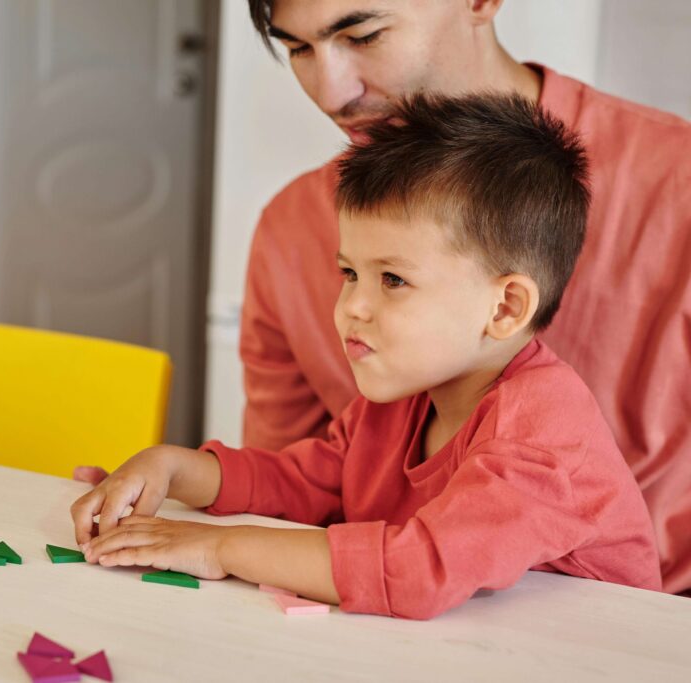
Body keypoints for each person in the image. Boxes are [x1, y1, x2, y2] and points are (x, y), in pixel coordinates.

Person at [70, 93, 661, 620]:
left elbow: (420, 569)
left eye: (394, 280)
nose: (352, 306)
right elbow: (310, 483)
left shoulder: (545, 437)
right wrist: (176, 468)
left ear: (505, 308)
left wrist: (217, 546)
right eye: (350, 273)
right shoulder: (405, 395)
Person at [236, 0, 691, 595]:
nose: (330, 92)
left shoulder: (675, 182)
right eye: (297, 49)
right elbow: (292, 486)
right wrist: (185, 480)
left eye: (364, 35)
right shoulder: (289, 229)